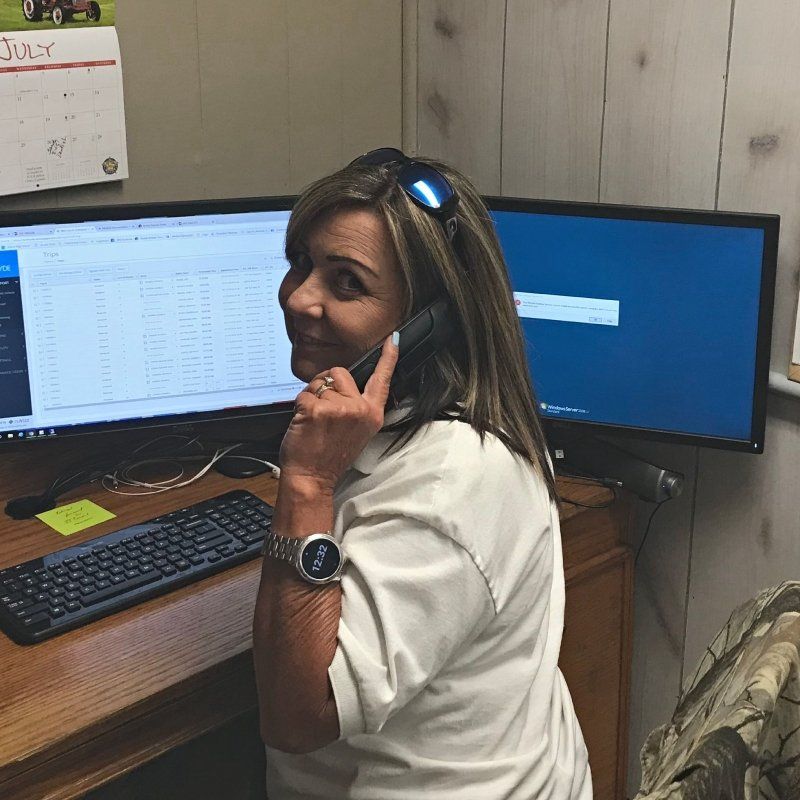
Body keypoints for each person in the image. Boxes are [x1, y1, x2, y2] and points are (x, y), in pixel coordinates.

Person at [252, 148, 591, 799]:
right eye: (301, 263)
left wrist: (306, 486)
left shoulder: (448, 485)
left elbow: (297, 717)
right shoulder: (414, 425)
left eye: (346, 283)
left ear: (431, 322)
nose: (298, 297)